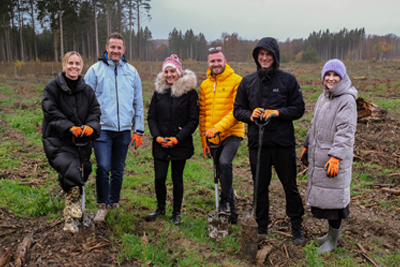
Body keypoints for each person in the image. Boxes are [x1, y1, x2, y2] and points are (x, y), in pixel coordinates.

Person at [233, 37, 305, 244]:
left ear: (275, 56)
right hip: (258, 143)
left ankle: (296, 225)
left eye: (268, 55)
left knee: (289, 185)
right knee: (260, 186)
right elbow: (238, 110)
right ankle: (262, 226)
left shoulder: (288, 80)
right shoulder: (247, 82)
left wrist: (277, 112)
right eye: (261, 54)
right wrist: (251, 115)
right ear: (256, 57)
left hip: (282, 142)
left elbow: (298, 109)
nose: (264, 58)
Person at [85, 32, 144, 222]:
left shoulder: (132, 72)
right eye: (113, 47)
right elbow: (86, 100)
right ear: (107, 48)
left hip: (124, 130)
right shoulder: (94, 71)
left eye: (119, 48)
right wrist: (88, 126)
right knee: (103, 166)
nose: (116, 50)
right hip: (102, 129)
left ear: (124, 50)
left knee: (118, 168)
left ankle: (114, 201)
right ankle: (102, 204)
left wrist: (139, 129)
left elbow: (138, 102)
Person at [301, 59, 357, 253]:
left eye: (335, 75)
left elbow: (346, 132)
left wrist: (336, 157)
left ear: (342, 77)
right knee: (327, 200)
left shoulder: (346, 100)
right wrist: (307, 144)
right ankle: (332, 234)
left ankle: (333, 240)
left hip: (334, 160)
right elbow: (314, 124)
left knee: (335, 202)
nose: (331, 78)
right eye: (328, 74)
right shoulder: (323, 97)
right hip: (320, 156)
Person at [42, 51, 101, 233]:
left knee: (84, 171)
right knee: (72, 173)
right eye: (70, 63)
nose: (74, 67)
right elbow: (51, 112)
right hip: (57, 141)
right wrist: (69, 127)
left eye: (77, 63)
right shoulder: (52, 88)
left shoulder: (87, 90)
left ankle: (77, 215)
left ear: (81, 66)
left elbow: (95, 111)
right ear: (64, 65)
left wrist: (91, 126)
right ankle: (70, 219)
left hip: (81, 142)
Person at [146, 54, 199, 225]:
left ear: (179, 72)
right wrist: (157, 136)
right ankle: (160, 208)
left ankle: (176, 212)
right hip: (160, 143)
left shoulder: (189, 94)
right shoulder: (159, 92)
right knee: (159, 177)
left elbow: (193, 121)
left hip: (179, 144)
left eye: (173, 71)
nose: (169, 75)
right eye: (166, 71)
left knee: (177, 178)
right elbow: (151, 118)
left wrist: (177, 139)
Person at [199, 47, 244, 224]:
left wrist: (217, 128)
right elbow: (203, 114)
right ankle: (232, 215)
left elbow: (236, 111)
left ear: (225, 61)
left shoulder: (237, 81)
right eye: (212, 61)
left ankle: (225, 202)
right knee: (220, 172)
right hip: (212, 137)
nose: (216, 64)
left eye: (219, 60)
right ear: (208, 63)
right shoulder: (204, 85)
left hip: (232, 133)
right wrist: (204, 141)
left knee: (225, 162)